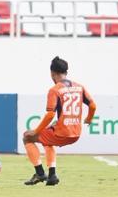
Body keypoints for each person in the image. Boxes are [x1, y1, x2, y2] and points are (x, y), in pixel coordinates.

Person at [22, 56, 95, 186]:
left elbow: (50, 114)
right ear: (66, 72)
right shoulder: (79, 87)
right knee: (47, 137)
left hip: (62, 133)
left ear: (52, 74)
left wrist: (35, 131)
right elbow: (93, 105)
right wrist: (89, 118)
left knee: (27, 137)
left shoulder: (54, 90)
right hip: (76, 133)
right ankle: (52, 175)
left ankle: (39, 173)